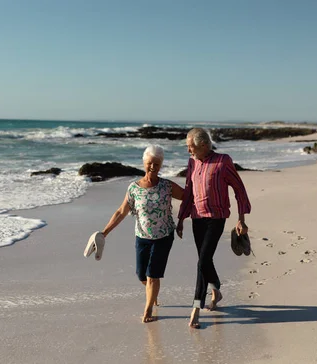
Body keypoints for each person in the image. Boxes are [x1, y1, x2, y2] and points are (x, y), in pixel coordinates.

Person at [176, 128, 251, 329]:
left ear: (203, 145)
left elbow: (239, 188)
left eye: (190, 147)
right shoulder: (192, 162)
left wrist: (241, 218)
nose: (188, 151)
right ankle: (216, 290)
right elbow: (189, 191)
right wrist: (182, 217)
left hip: (216, 219)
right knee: (205, 260)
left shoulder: (223, 161)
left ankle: (196, 308)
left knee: (202, 262)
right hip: (196, 217)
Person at [102, 145, 184, 323]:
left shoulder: (167, 186)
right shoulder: (134, 188)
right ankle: (151, 294)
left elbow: (188, 197)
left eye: (157, 163)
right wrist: (104, 232)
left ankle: (148, 309)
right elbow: (121, 212)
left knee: (153, 274)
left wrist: (182, 221)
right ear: (144, 163)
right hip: (142, 237)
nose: (153, 167)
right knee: (141, 274)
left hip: (163, 236)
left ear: (161, 165)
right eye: (150, 163)